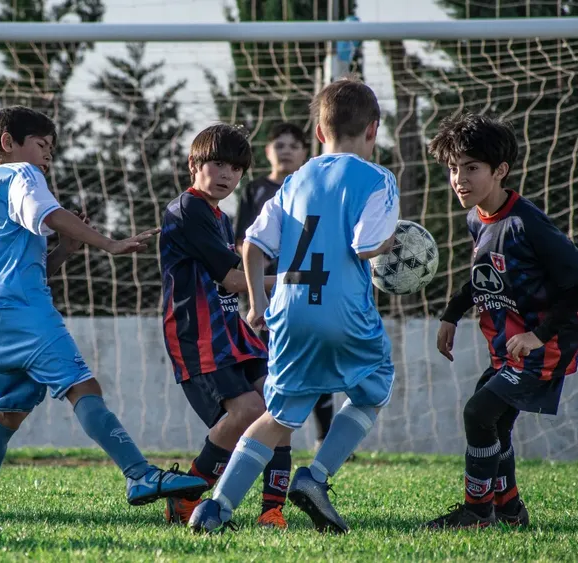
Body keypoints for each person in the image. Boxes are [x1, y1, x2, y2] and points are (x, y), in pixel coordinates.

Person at [0, 106, 209, 518]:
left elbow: (23, 266)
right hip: (24, 311)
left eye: (51, 148)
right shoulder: (21, 175)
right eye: (41, 145)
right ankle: (139, 474)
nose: (47, 156)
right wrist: (110, 244)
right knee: (83, 387)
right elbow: (49, 213)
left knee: (8, 413)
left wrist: (65, 250)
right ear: (8, 143)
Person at [189, 77, 400, 534]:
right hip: (345, 312)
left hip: (290, 310)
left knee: (280, 413)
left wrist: (257, 304)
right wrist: (394, 237)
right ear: (373, 130)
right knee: (375, 386)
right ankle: (316, 477)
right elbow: (366, 244)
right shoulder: (378, 178)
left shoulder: (294, 180)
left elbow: (251, 246)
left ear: (319, 133)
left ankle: (216, 507)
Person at [423, 112, 578, 529]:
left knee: (479, 412)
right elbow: (485, 274)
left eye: (472, 168)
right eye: (453, 169)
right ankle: (511, 510)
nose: (459, 179)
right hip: (508, 346)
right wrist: (452, 312)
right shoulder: (475, 218)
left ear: (500, 171)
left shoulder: (526, 224)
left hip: (545, 345)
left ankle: (478, 511)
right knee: (494, 419)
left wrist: (538, 335)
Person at [159, 124, 287, 529]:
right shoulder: (188, 208)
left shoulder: (219, 215)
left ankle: (272, 510)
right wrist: (294, 280)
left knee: (280, 403)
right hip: (197, 331)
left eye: (236, 167)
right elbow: (234, 279)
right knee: (250, 409)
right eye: (218, 164)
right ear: (193, 164)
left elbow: (234, 281)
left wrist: (260, 301)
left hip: (229, 327)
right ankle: (186, 496)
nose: (227, 174)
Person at [233, 123, 335, 451]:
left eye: (294, 145)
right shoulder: (256, 190)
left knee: (316, 358)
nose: (287, 150)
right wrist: (256, 280)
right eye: (279, 145)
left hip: (308, 288)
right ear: (267, 152)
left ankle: (324, 436)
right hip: (268, 292)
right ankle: (268, 433)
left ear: (307, 151)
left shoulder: (312, 189)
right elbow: (243, 241)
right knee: (269, 362)